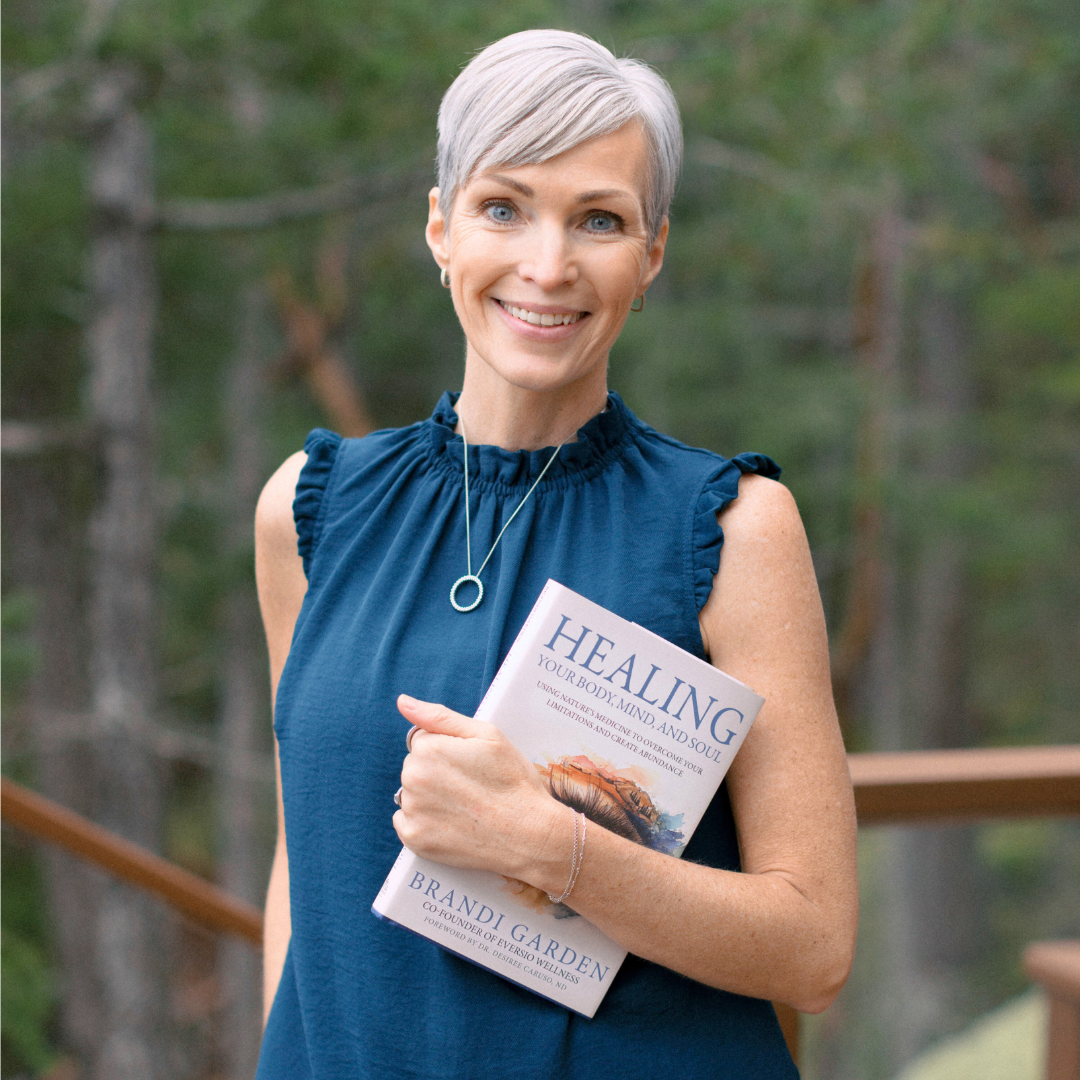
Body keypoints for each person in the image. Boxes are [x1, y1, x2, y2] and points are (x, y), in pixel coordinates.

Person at [254, 29, 858, 1080]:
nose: (548, 265)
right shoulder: (309, 512)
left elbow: (814, 951)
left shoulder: (730, 530)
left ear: (653, 252)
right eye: (504, 207)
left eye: (599, 220)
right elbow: (298, 862)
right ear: (441, 228)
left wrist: (549, 846)